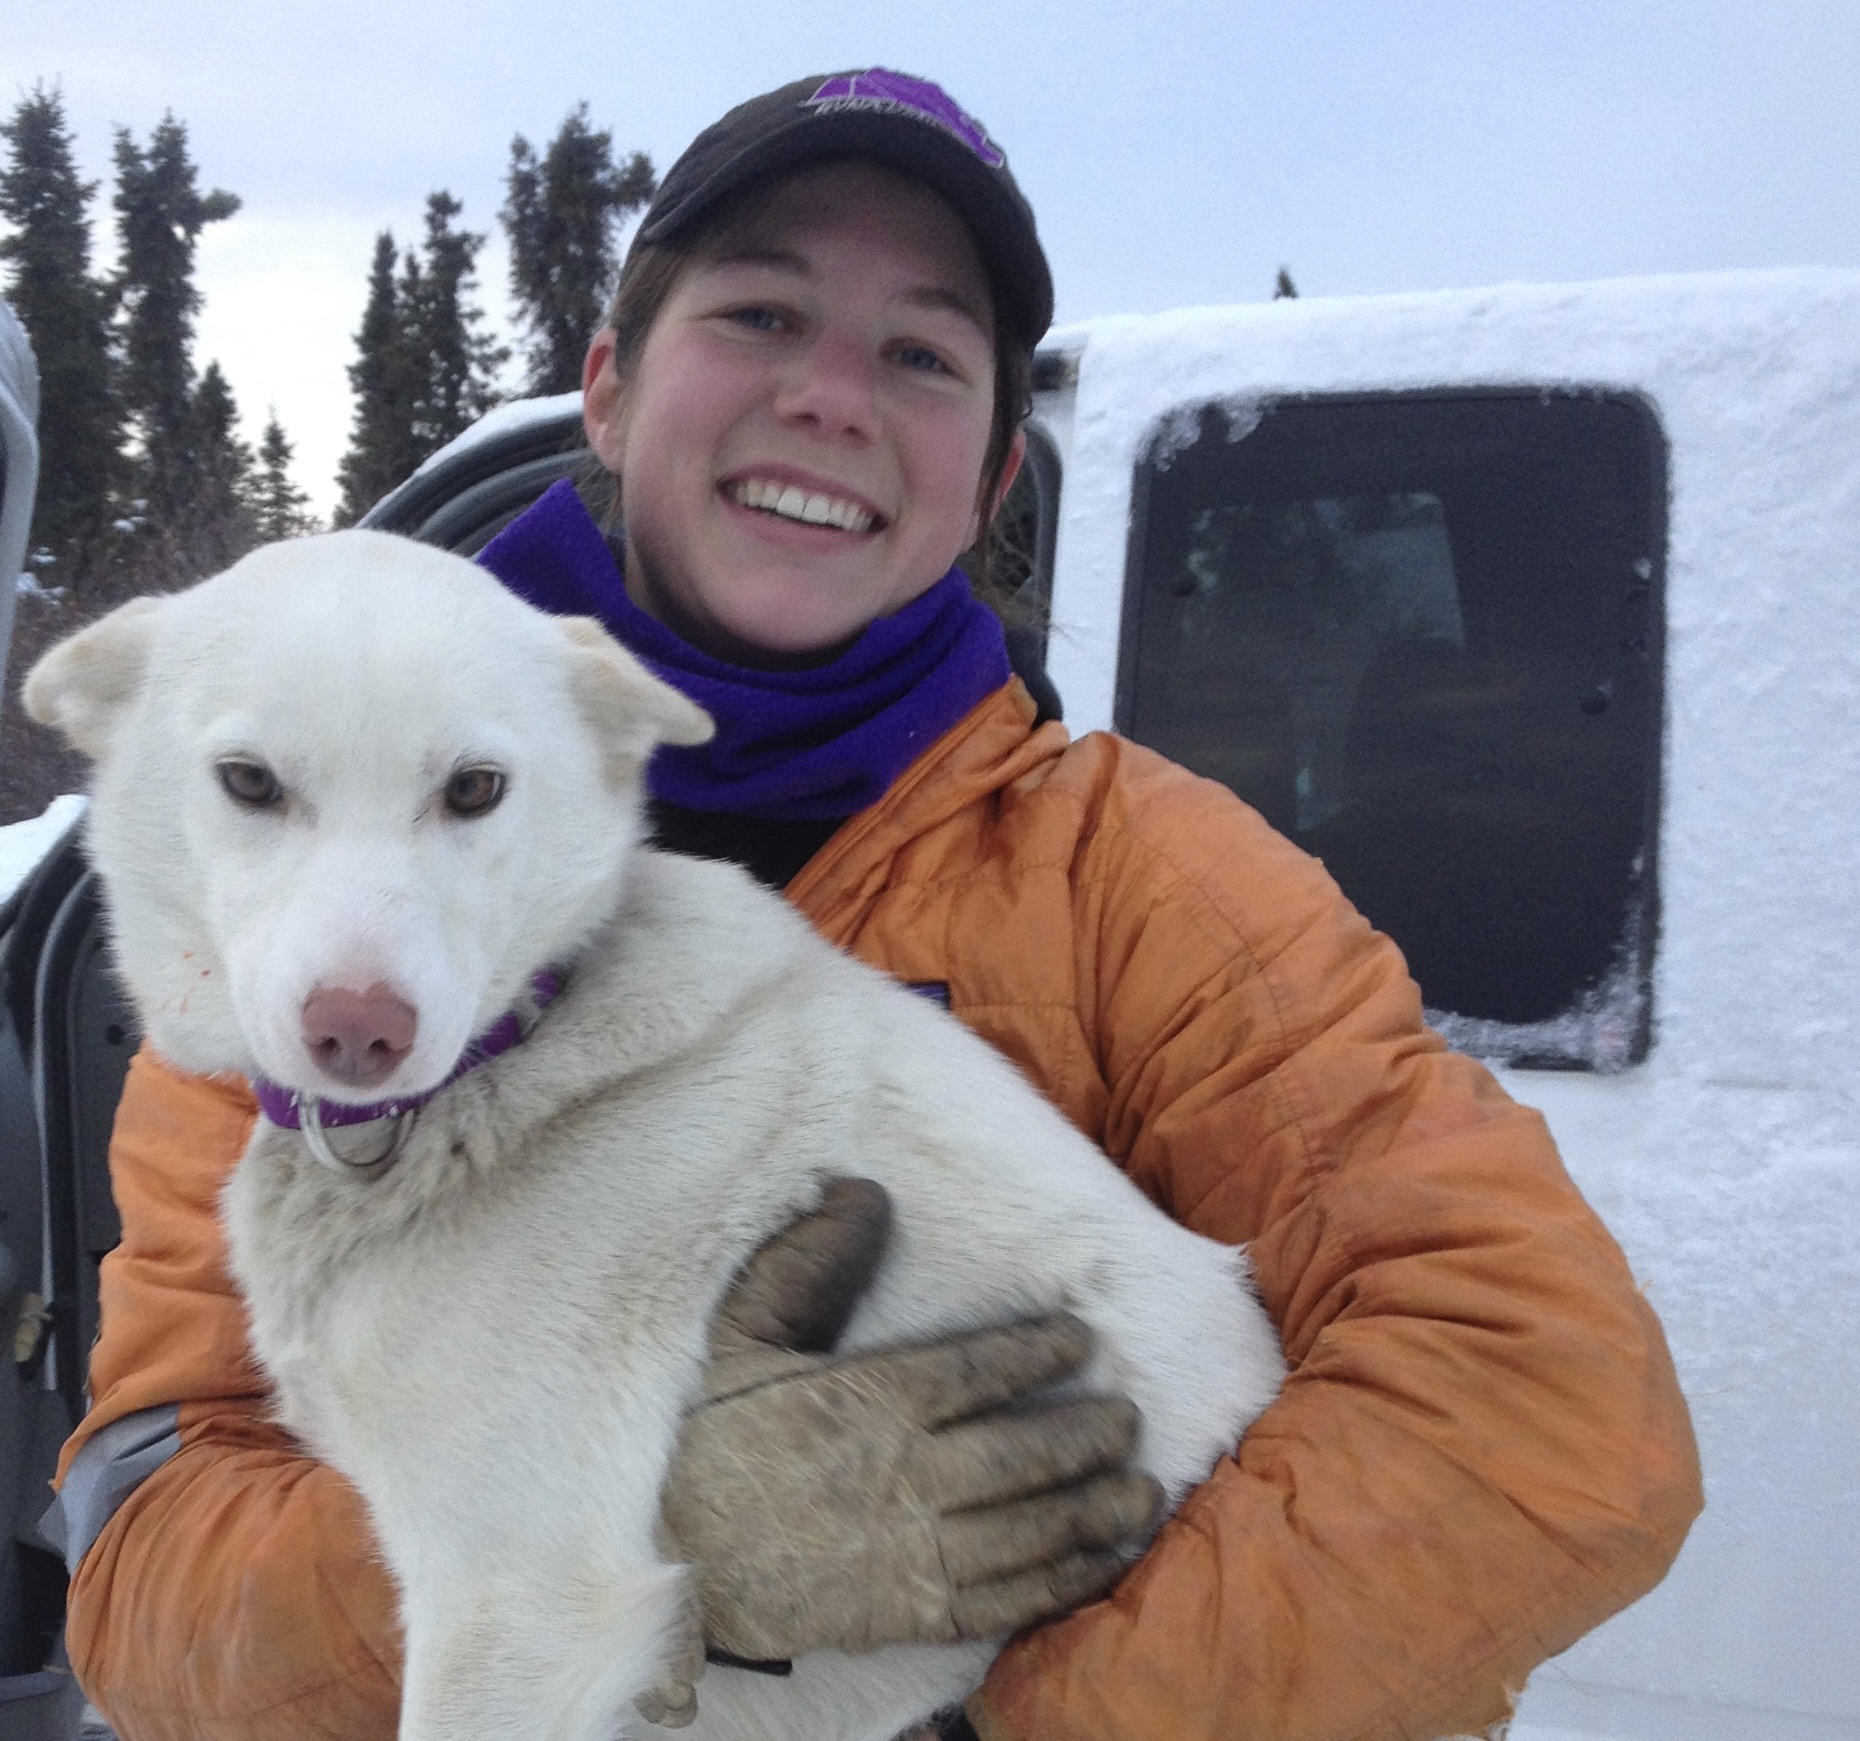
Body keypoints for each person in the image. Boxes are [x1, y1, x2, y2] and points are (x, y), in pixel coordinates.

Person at [47, 69, 1700, 1741]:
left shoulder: (1139, 884)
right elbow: (154, 1568)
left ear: (987, 481)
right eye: (763, 310)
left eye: (920, 352)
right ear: (610, 389)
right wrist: (616, 1517)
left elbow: (1542, 1395)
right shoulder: (308, 955)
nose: (832, 396)